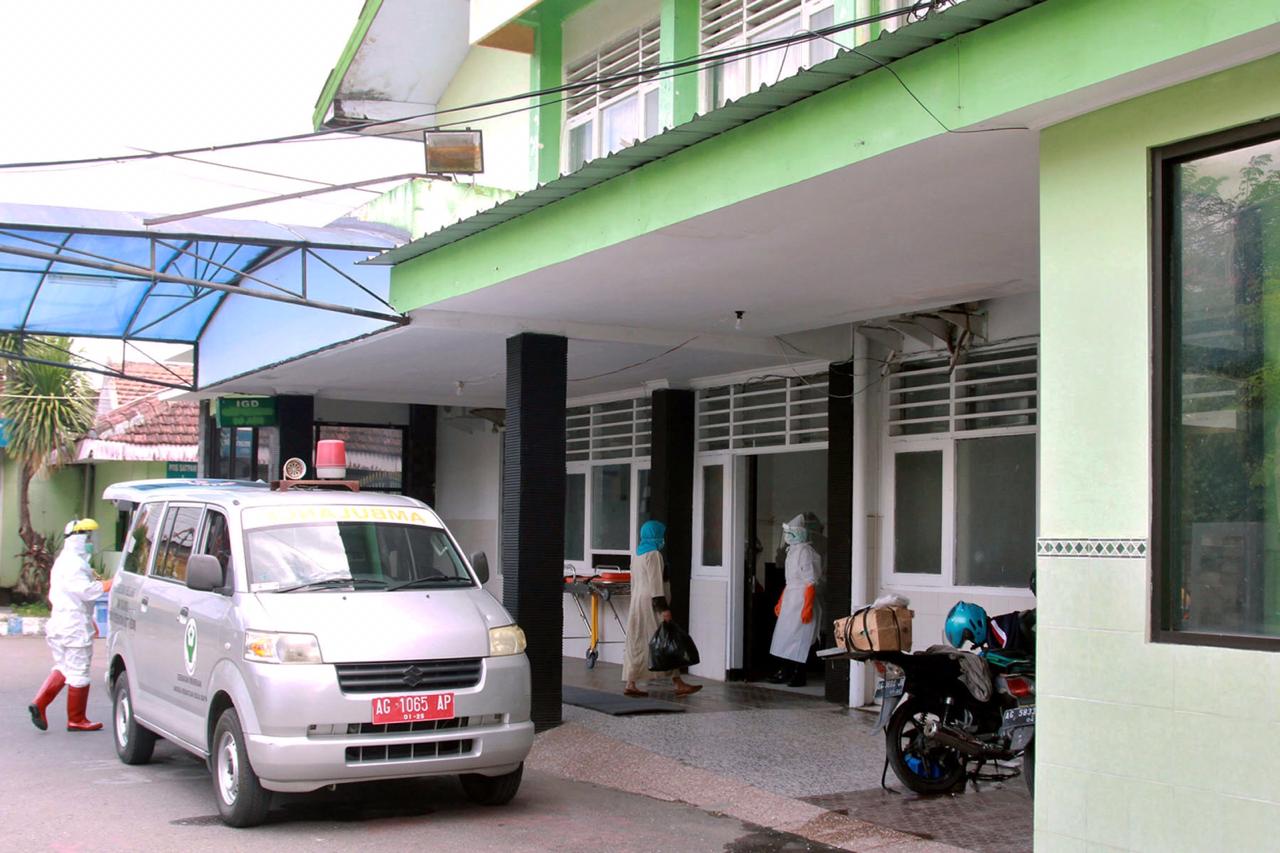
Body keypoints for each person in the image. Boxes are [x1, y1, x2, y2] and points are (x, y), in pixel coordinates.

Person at [28, 518, 112, 732]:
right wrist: (109, 584)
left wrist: (89, 617)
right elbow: (84, 590)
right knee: (79, 670)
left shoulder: (65, 560)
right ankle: (77, 719)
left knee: (64, 667)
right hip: (72, 626)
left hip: (62, 621)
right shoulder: (74, 563)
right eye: (88, 537)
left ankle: (40, 702)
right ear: (79, 539)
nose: (91, 541)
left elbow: (73, 596)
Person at [623, 520, 701, 698]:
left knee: (637, 642)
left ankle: (631, 682)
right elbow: (656, 584)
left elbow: (634, 580)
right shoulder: (654, 554)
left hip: (637, 602)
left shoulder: (637, 554)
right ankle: (678, 683)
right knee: (665, 640)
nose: (663, 538)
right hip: (651, 604)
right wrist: (663, 608)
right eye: (661, 534)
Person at [768, 514, 820, 687]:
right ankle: (786, 670)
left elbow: (809, 581)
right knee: (785, 636)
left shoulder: (805, 552)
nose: (787, 536)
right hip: (791, 598)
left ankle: (799, 673)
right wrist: (782, 600)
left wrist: (807, 606)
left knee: (800, 638)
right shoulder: (792, 551)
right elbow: (790, 582)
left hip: (802, 599)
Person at [944, 601, 1036, 656]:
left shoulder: (998, 628)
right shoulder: (995, 630)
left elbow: (1008, 650)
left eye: (969, 638)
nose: (973, 642)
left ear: (974, 627)